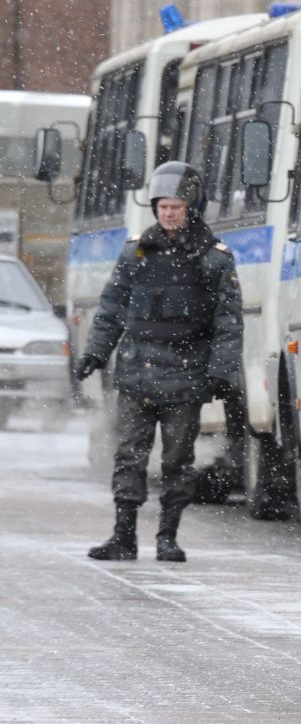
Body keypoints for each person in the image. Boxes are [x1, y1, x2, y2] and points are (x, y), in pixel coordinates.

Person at [78, 161, 243, 563]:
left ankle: (167, 536)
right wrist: (95, 353)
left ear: (192, 207)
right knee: (130, 456)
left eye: (176, 207)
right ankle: (124, 535)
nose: (168, 214)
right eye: (163, 206)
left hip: (185, 377)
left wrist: (221, 372)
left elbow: (228, 322)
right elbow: (112, 308)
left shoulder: (214, 259)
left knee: (176, 461)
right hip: (137, 374)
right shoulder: (137, 251)